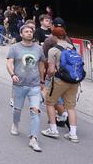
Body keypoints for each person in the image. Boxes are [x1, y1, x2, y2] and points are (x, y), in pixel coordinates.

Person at [6, 24, 44, 152]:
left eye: (31, 31)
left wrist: (42, 81)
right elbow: (9, 63)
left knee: (35, 111)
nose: (29, 33)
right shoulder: (15, 48)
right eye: (26, 31)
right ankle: (15, 123)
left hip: (34, 85)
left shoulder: (38, 49)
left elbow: (41, 65)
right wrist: (12, 74)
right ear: (21, 34)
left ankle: (33, 139)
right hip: (19, 84)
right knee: (17, 109)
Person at [41, 26, 82, 143]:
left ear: (54, 36)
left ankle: (53, 129)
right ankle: (73, 134)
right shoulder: (72, 48)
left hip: (60, 80)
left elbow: (51, 70)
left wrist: (47, 75)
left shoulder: (53, 50)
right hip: (74, 81)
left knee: (49, 101)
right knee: (70, 106)